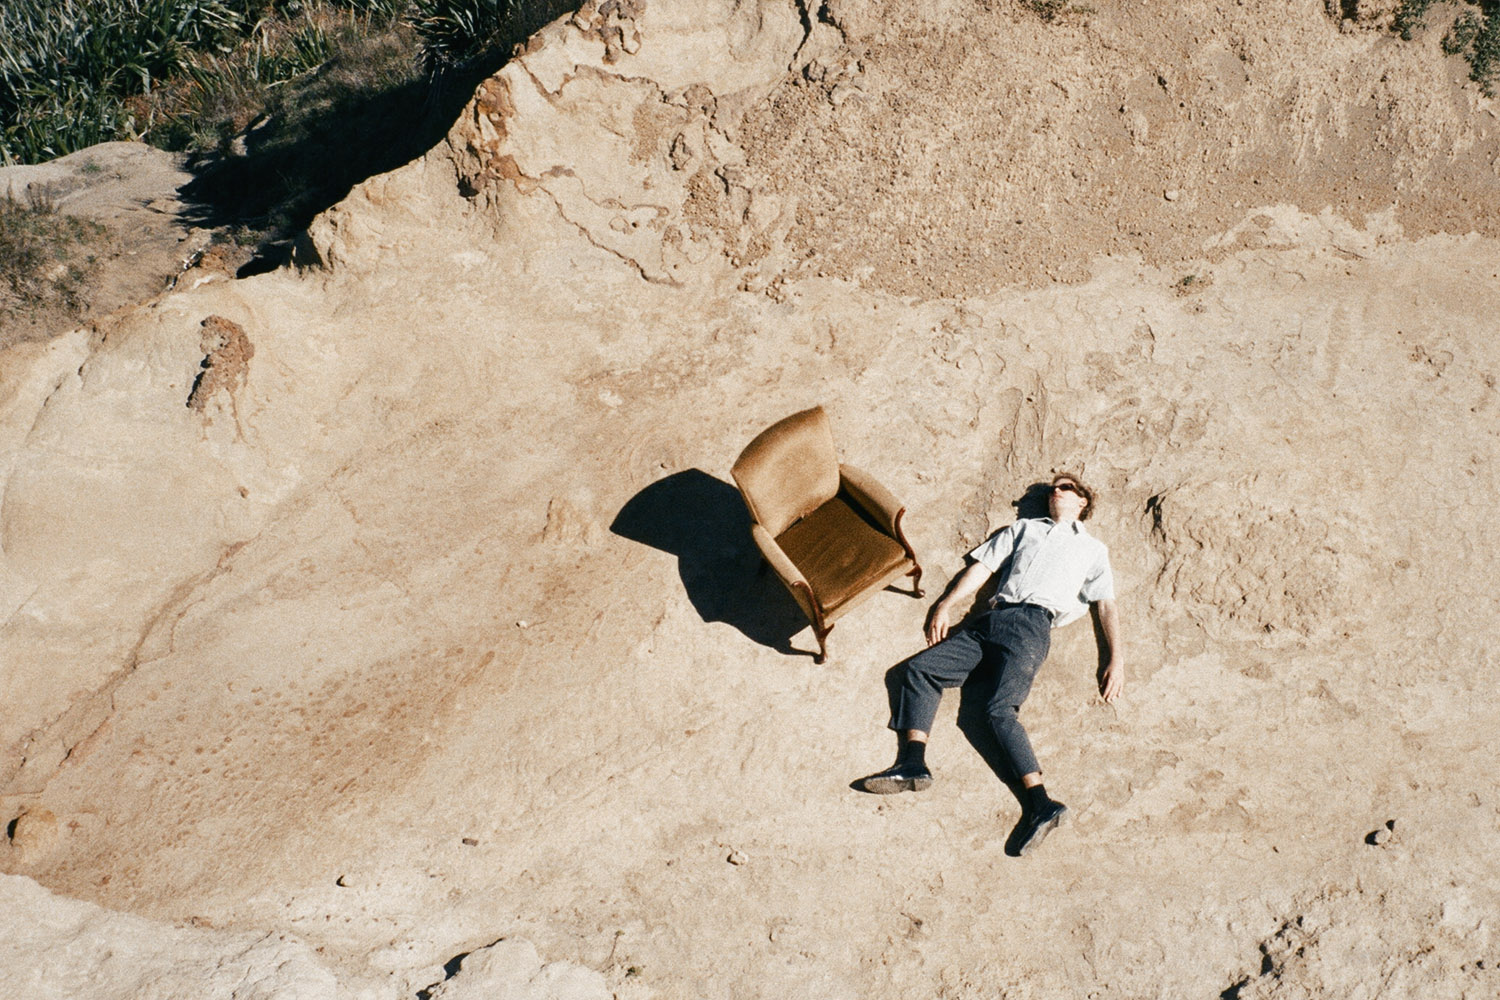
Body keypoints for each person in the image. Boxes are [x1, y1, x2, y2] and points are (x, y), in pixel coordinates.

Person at [856, 473, 1123, 856]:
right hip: (989, 622)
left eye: (1064, 487)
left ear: (1082, 501)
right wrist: (946, 604)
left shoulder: (1093, 549)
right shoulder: (1024, 528)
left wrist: (1116, 658)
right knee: (920, 670)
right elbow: (983, 568)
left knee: (998, 711)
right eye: (1051, 489)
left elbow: (1106, 604)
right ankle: (913, 763)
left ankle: (1040, 803)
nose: (1055, 492)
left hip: (1031, 627)